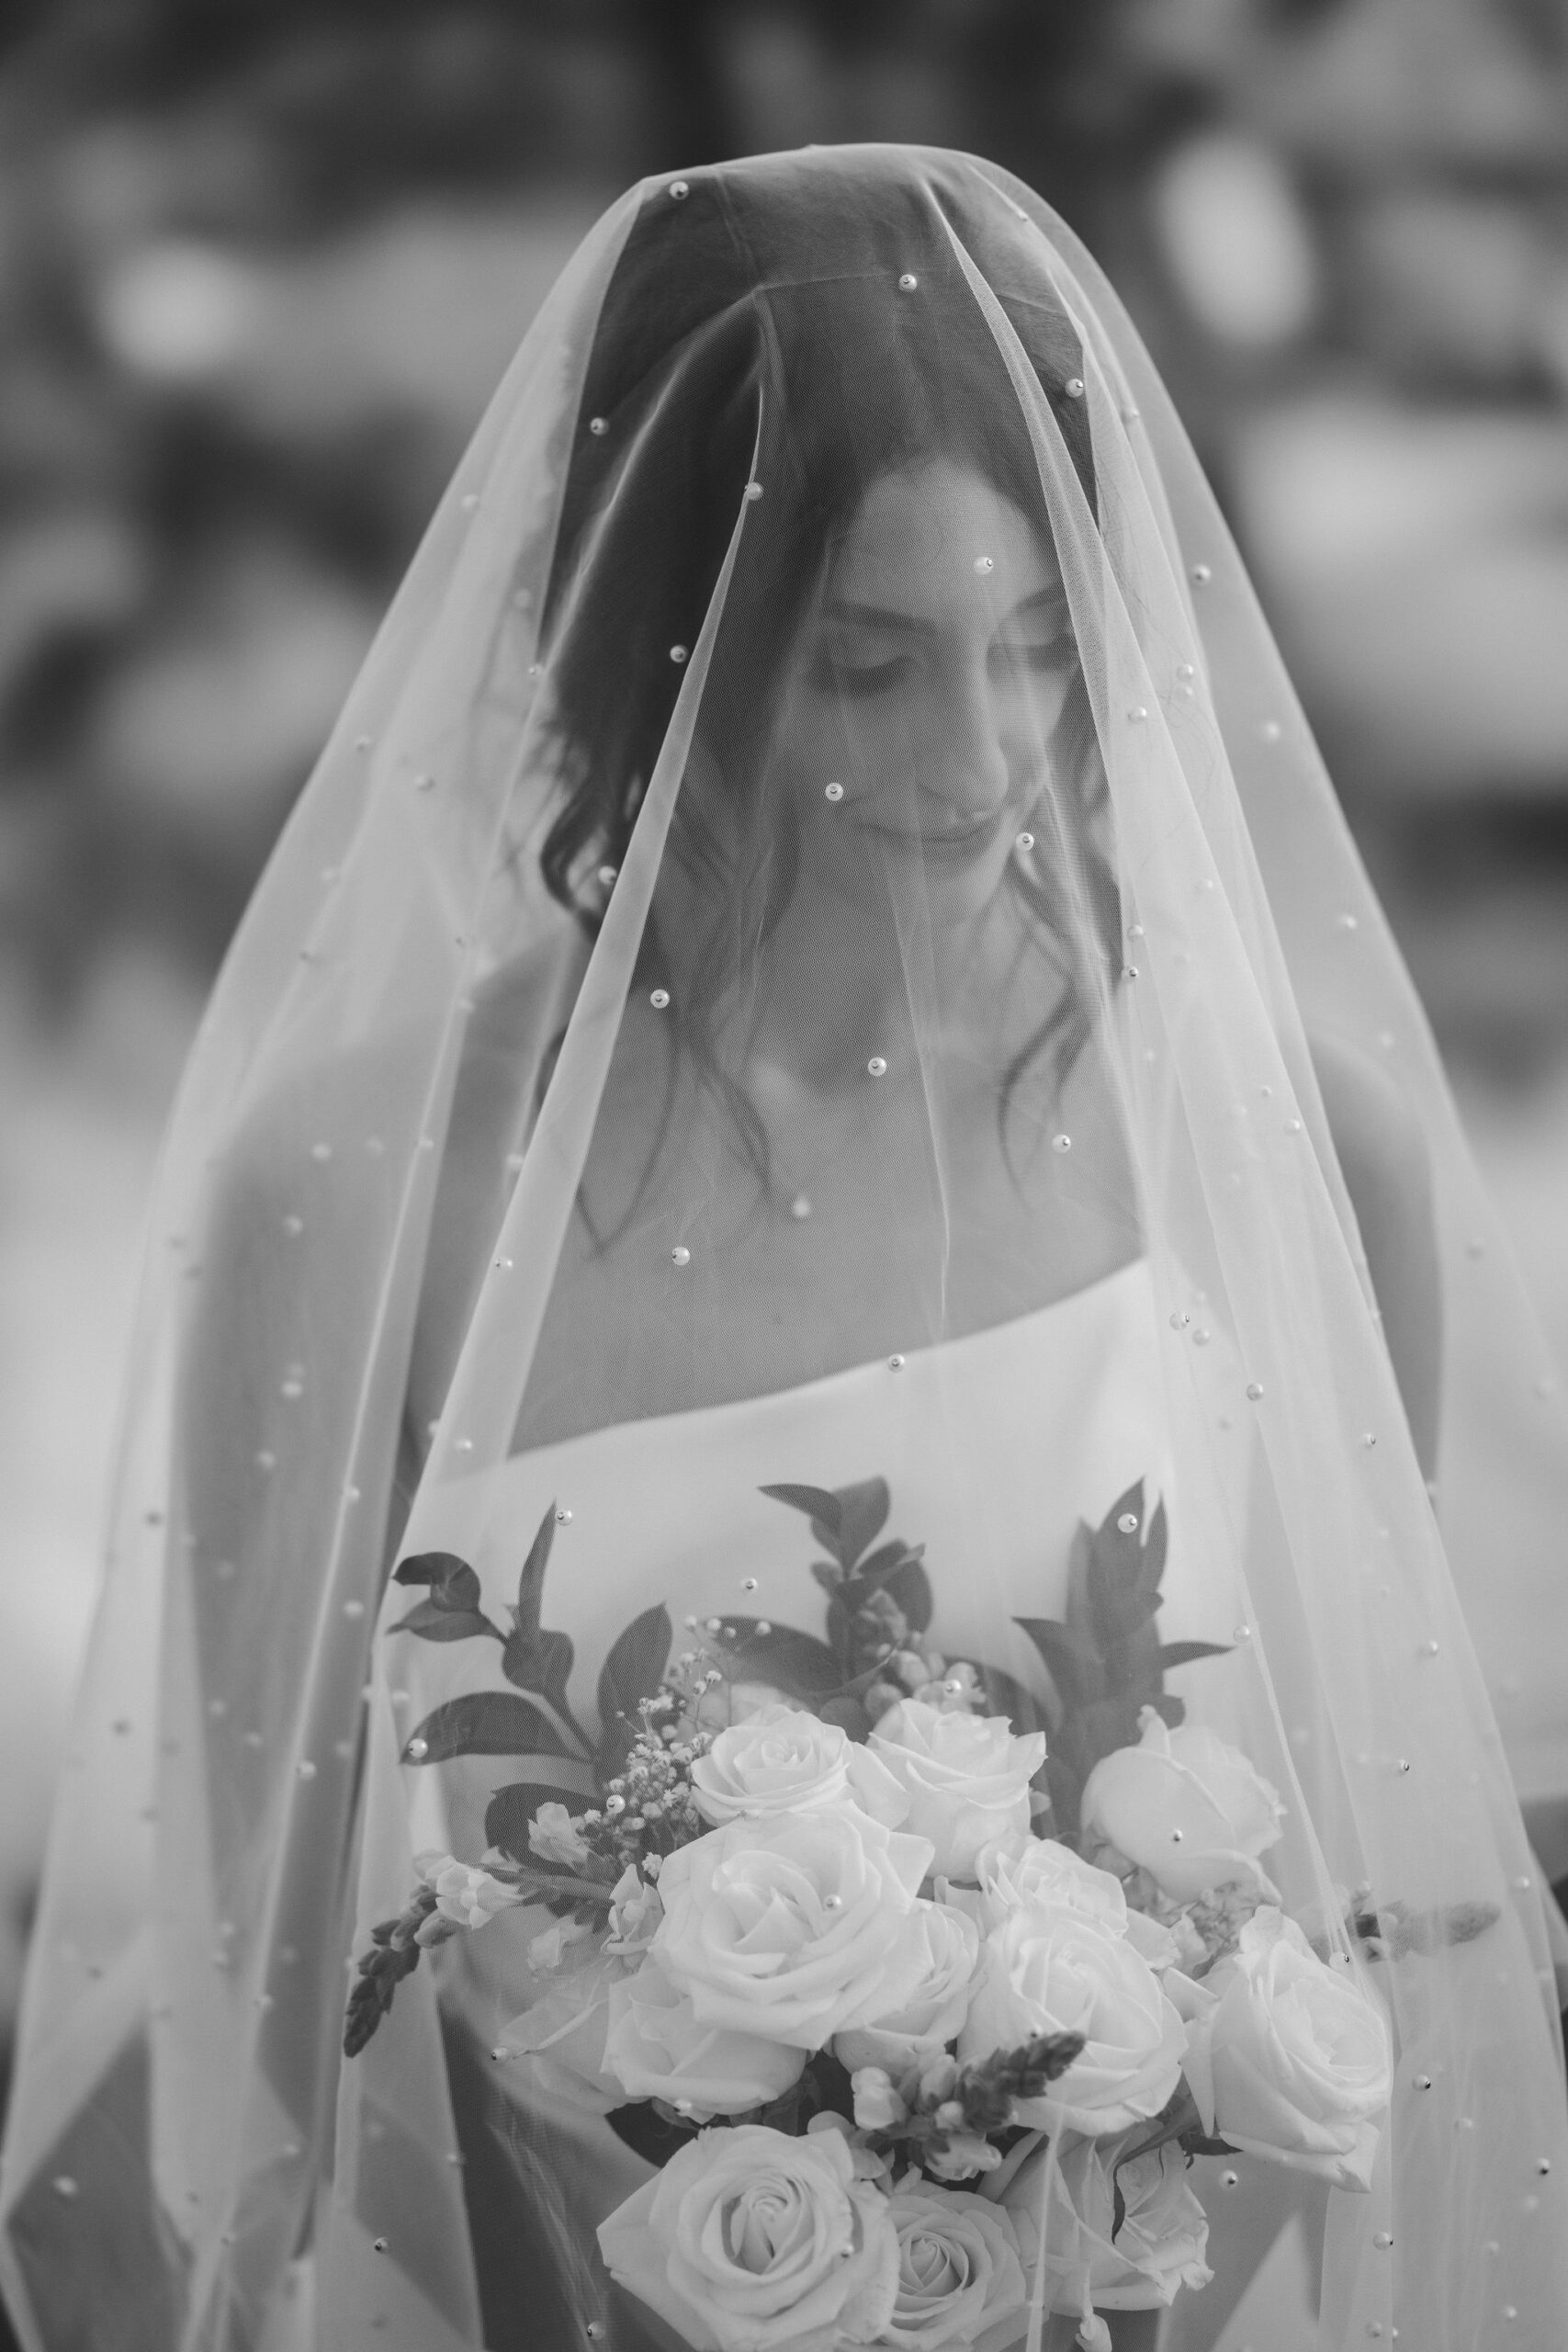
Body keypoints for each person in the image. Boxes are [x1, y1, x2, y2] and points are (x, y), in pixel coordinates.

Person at [1, 144, 1564, 2352]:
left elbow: (1349, 1915)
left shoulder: (1305, 1148)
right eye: (866, 667)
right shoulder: (365, 1185)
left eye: (1037, 646)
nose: (986, 757)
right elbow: (277, 1957)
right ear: (666, 666)